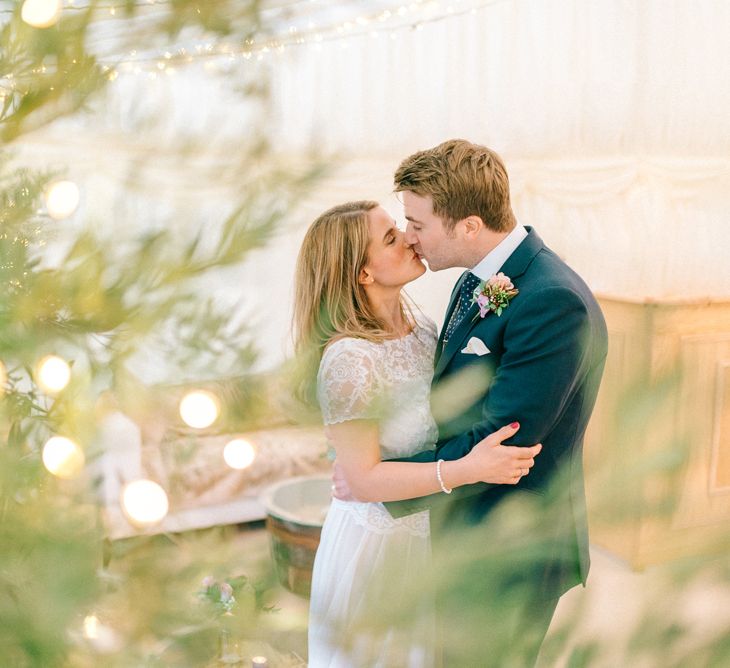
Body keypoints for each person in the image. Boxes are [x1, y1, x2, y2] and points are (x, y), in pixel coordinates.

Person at [333, 139, 609, 666]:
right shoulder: (472, 279)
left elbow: (504, 439)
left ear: (468, 226)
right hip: (460, 527)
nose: (411, 239)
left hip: (510, 541)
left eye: (417, 224)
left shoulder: (552, 300)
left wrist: (376, 477)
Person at [292, 200, 542, 667]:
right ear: (362, 274)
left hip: (433, 534)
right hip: (378, 549)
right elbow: (364, 481)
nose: (409, 237)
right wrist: (467, 470)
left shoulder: (422, 328)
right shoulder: (349, 360)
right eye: (390, 237)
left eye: (402, 226)